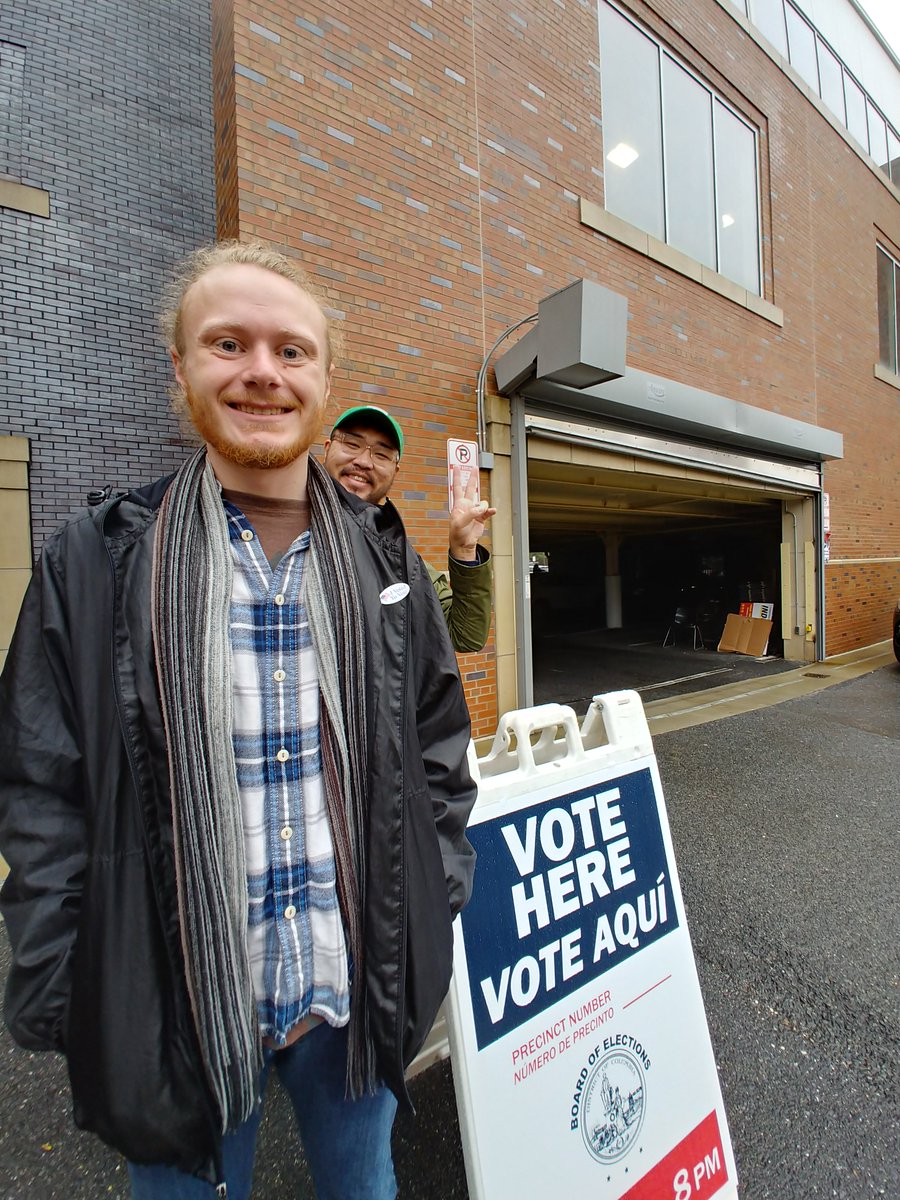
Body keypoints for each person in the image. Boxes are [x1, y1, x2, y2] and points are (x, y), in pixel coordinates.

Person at [0, 240, 477, 1199]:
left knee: (364, 1184)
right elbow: (41, 788)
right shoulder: (92, 562)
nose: (263, 370)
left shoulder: (387, 565)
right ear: (180, 369)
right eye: (228, 343)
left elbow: (437, 748)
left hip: (354, 992)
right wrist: (68, 986)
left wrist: (433, 903)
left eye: (292, 351)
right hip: (169, 1008)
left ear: (324, 380)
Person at [322, 405, 495, 653]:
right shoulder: (288, 527)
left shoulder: (403, 561)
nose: (363, 461)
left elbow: (465, 636)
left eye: (381, 455)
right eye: (351, 444)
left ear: (395, 471)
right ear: (327, 448)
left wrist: (465, 551)